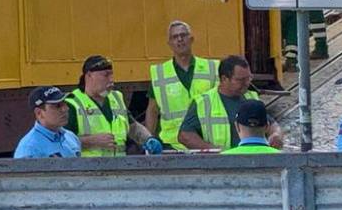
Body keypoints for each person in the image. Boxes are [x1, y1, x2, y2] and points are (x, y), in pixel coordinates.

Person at [178, 55, 283, 151]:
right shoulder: (203, 102)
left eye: (249, 78)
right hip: (220, 166)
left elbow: (271, 124)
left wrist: (276, 135)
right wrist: (213, 151)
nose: (247, 83)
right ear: (224, 79)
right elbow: (185, 135)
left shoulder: (250, 98)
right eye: (241, 80)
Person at [145, 21, 219, 151]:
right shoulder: (160, 73)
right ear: (169, 43)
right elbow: (152, 109)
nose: (179, 39)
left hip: (204, 141)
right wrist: (149, 139)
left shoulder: (212, 68)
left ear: (191, 39)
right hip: (172, 144)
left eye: (183, 35)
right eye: (174, 37)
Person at [66, 55, 156, 157]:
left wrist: (148, 139)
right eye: (106, 75)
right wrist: (90, 141)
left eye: (112, 74)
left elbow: (133, 127)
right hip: (89, 169)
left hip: (118, 167)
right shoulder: (73, 103)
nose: (111, 80)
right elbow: (61, 141)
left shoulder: (116, 98)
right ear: (89, 76)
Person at [13, 86, 82, 158]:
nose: (66, 109)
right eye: (57, 106)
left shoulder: (71, 137)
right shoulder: (29, 149)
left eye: (65, 103)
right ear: (39, 113)